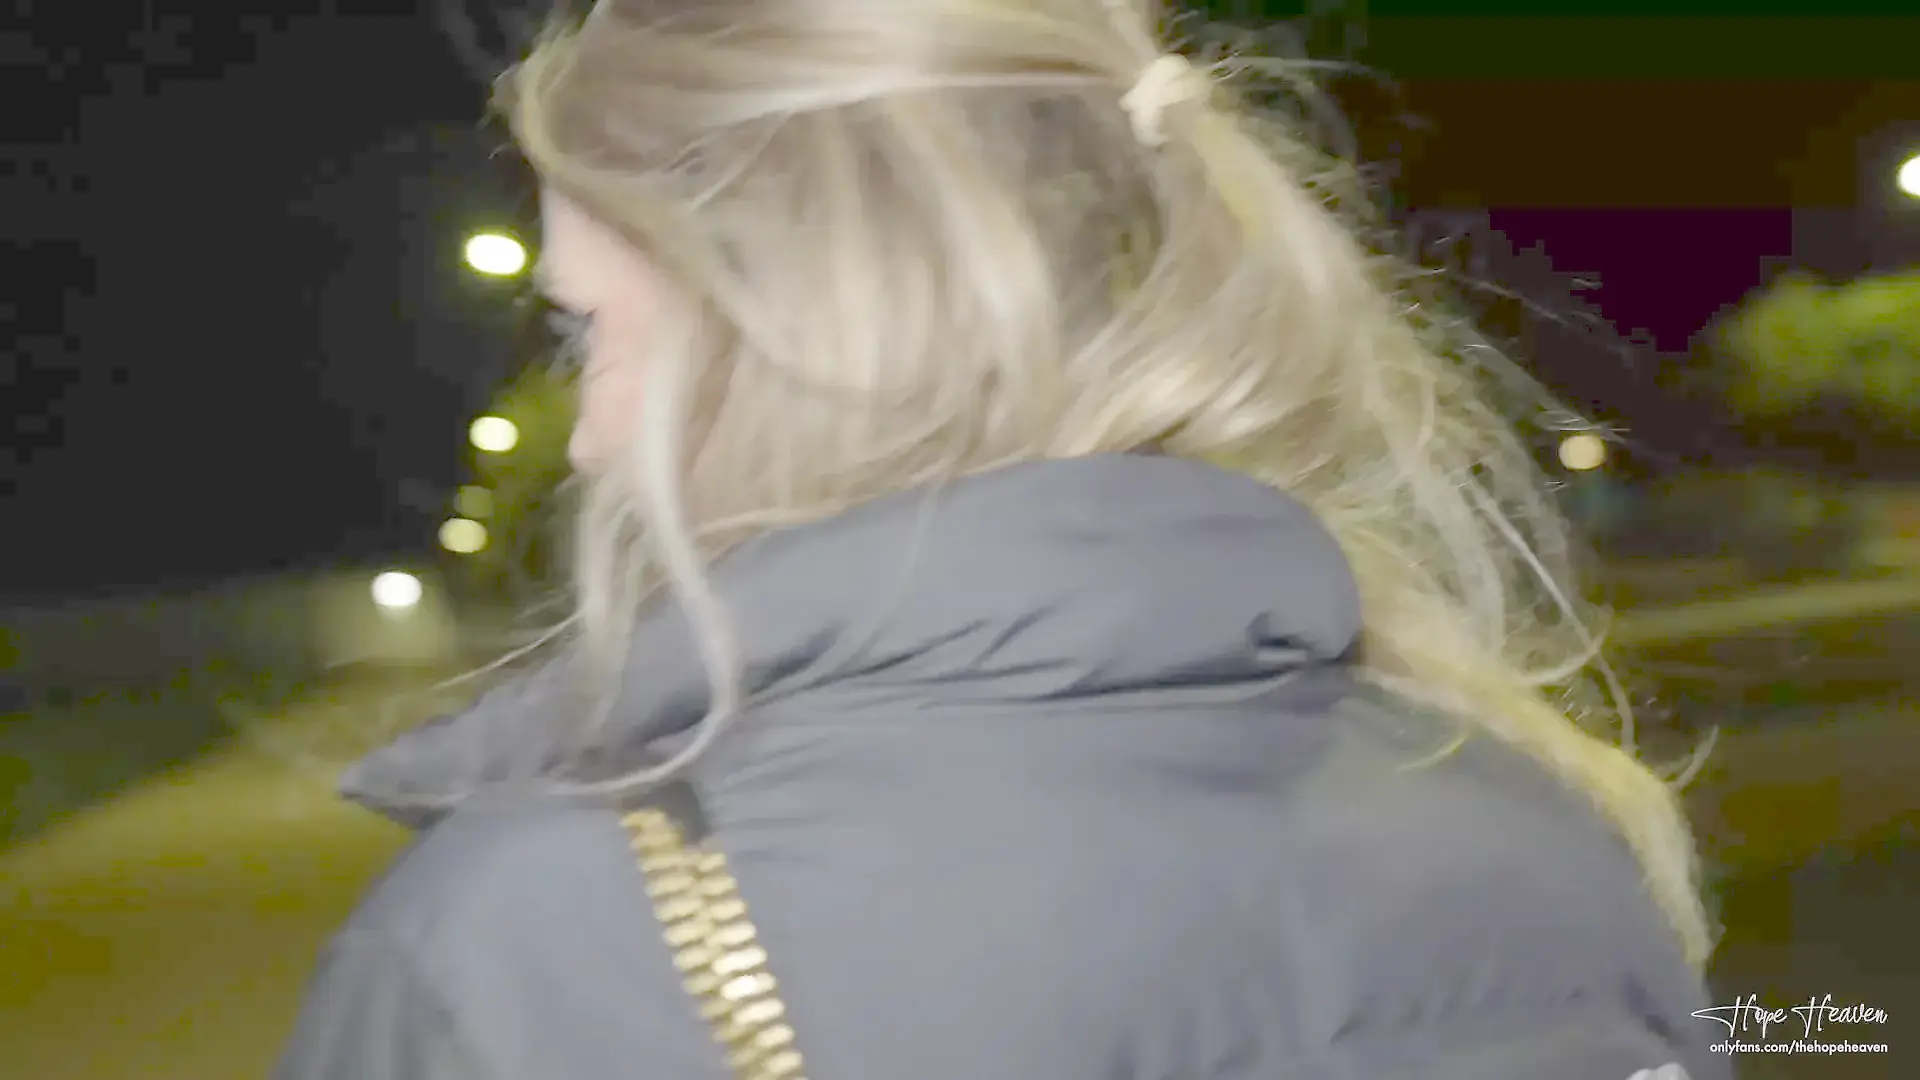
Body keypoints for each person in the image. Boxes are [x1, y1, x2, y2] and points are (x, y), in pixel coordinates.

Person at [275, 2, 1728, 1077]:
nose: (591, 437)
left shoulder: (544, 943)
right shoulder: (1535, 811)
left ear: (802, 329)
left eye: (588, 332)